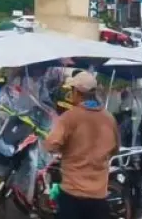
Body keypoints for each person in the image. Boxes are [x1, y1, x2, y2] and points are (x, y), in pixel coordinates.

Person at [44, 71, 119, 219]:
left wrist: (65, 148)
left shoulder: (70, 117)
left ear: (77, 93)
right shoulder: (109, 118)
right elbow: (114, 149)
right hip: (98, 195)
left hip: (73, 193)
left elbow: (51, 145)